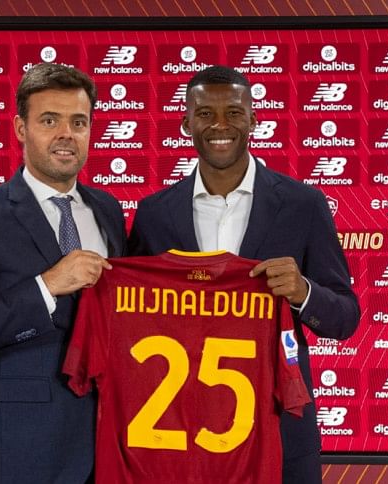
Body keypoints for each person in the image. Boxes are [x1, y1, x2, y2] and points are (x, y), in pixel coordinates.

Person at [128, 65, 360, 484]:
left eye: (234, 113)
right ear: (186, 124)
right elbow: (132, 322)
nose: (220, 125)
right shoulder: (154, 214)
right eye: (205, 114)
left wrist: (303, 292)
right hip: (180, 429)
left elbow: (345, 318)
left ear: (254, 120)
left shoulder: (303, 205)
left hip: (280, 425)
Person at [0, 63, 126, 484]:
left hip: (103, 450)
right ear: (21, 128)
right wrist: (47, 287)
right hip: (13, 455)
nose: (66, 134)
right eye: (49, 121)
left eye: (78, 122)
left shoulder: (108, 209)